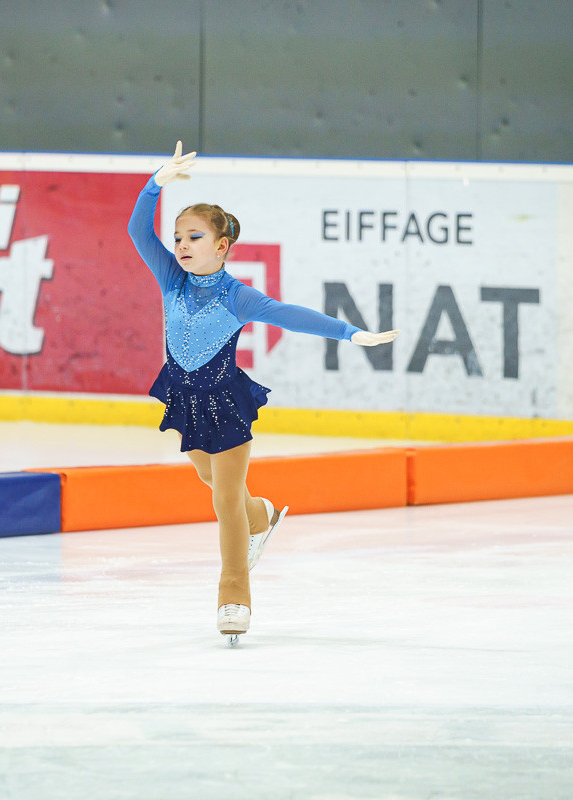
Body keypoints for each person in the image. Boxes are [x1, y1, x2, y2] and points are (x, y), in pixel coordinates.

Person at [127, 141, 398, 644]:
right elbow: (137, 231)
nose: (181, 245)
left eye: (194, 237)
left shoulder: (238, 296)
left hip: (224, 402)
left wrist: (351, 334)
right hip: (185, 398)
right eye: (178, 236)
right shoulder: (171, 279)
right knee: (213, 480)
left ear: (222, 246)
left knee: (225, 500)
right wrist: (155, 183)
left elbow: (290, 315)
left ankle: (234, 595)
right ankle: (263, 515)